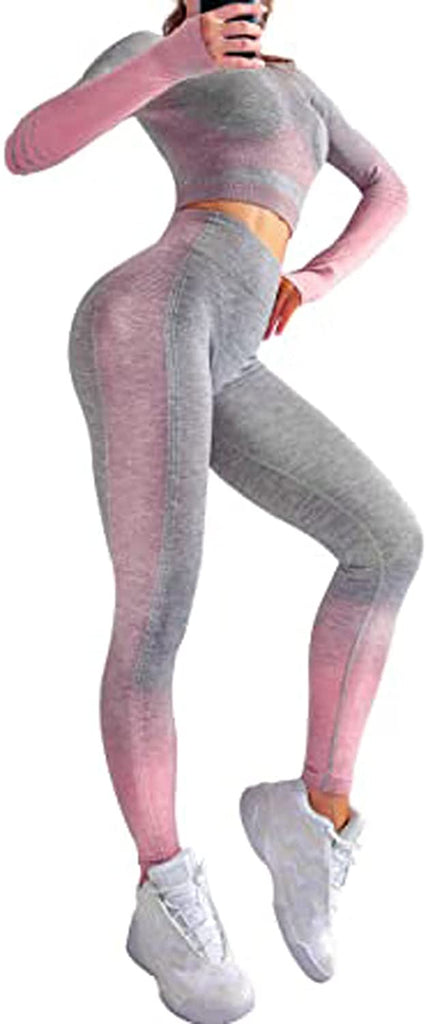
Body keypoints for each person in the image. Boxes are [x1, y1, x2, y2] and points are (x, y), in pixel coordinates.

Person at [4, 0, 423, 1016]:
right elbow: (26, 148)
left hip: (230, 349)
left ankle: (309, 814)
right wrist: (170, 63)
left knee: (386, 541)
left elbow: (389, 187)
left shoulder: (301, 87)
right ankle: (165, 891)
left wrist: (316, 277)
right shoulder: (161, 51)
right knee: (159, 610)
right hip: (151, 314)